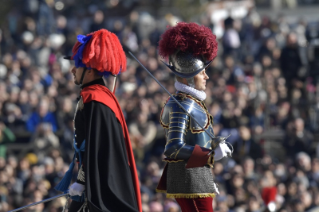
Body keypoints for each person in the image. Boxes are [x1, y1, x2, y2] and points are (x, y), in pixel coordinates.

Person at [55, 29, 142, 212]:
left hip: (98, 188)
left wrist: (81, 181)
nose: (72, 69)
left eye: (77, 65)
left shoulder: (94, 99)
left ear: (89, 70)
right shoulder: (98, 96)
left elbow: (95, 147)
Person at [156, 22, 232, 212]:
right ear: (189, 76)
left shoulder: (192, 102)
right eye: (202, 72)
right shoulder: (182, 105)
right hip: (189, 179)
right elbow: (173, 148)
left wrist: (213, 146)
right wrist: (211, 155)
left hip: (197, 176)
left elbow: (197, 139)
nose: (206, 77)